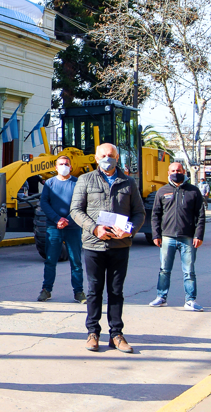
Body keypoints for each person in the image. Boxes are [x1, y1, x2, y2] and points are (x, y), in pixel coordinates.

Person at [69, 143, 146, 354]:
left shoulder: (129, 182)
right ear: (96, 158)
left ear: (117, 157)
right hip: (94, 244)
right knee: (94, 290)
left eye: (110, 155)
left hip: (119, 245)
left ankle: (116, 334)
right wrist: (95, 228)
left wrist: (129, 230)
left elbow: (139, 213)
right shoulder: (85, 180)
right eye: (103, 155)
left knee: (116, 291)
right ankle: (93, 333)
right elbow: (75, 210)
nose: (107, 158)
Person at [149, 163, 206, 312]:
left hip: (188, 238)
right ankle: (161, 297)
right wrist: (156, 234)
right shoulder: (162, 191)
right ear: (168, 173)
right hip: (167, 237)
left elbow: (201, 215)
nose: (176, 173)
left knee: (189, 271)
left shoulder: (193, 191)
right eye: (173, 170)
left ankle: (190, 300)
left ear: (184, 171)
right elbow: (155, 215)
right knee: (164, 270)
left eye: (179, 170)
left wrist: (198, 235)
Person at [38, 155, 85, 304]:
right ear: (56, 167)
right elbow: (44, 203)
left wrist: (68, 220)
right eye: (61, 164)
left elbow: (81, 204)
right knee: (50, 260)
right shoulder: (50, 183)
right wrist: (57, 219)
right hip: (54, 227)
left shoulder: (77, 183)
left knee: (76, 261)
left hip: (73, 227)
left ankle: (78, 292)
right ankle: (46, 290)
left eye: (66, 164)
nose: (64, 166)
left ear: (70, 167)